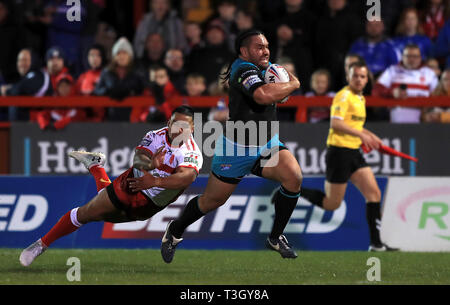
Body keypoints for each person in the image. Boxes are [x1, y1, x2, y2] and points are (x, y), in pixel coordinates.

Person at [149, 29, 302, 262]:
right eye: (259, 47)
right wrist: (293, 85)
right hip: (236, 147)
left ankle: (275, 237)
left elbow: (273, 92)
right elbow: (261, 96)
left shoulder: (269, 67)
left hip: (266, 142)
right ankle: (175, 230)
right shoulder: (242, 69)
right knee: (212, 201)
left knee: (294, 177)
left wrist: (282, 87)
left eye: (267, 46)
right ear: (244, 51)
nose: (265, 50)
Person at [19, 105, 203, 267]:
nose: (179, 129)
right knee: (87, 213)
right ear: (169, 122)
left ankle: (96, 166)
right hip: (130, 184)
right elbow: (139, 159)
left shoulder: (192, 152)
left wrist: (155, 181)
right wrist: (151, 165)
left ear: (192, 128)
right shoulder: (156, 136)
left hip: (151, 204)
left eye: (185, 125)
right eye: (175, 123)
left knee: (104, 213)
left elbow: (185, 178)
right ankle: (41, 244)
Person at [300, 62, 396, 252]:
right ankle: (294, 192)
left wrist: (370, 135)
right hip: (339, 152)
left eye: (362, 76)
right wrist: (362, 136)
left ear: (367, 79)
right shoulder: (344, 96)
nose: (358, 79)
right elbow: (336, 124)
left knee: (374, 194)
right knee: (331, 204)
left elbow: (354, 125)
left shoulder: (360, 98)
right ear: (348, 78)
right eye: (355, 76)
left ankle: (376, 244)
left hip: (354, 152)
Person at [373, 44, 439, 123]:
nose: (411, 60)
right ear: (402, 57)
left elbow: (438, 95)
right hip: (397, 114)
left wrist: (428, 108)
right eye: (408, 56)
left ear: (420, 58)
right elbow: (376, 90)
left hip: (423, 116)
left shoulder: (429, 73)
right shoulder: (392, 70)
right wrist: (392, 92)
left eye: (415, 56)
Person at [92, 37, 144, 121]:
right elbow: (97, 90)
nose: (121, 56)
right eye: (118, 53)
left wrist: (127, 90)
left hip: (132, 116)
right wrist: (108, 91)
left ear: (130, 56)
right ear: (114, 56)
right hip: (110, 115)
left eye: (125, 53)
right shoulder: (106, 72)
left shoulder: (137, 72)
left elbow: (141, 89)